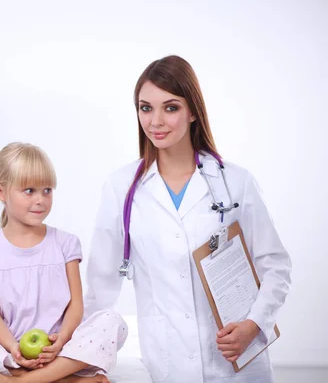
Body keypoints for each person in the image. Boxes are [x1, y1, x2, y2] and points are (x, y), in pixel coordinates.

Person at [84, 55, 292, 383]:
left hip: (236, 365)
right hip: (166, 364)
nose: (155, 121)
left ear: (193, 111)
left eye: (170, 107)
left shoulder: (236, 182)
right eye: (145, 107)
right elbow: (99, 286)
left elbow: (276, 267)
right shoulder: (121, 187)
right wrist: (82, 360)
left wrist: (254, 325)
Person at [0, 142, 128, 383]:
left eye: (47, 190)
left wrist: (61, 340)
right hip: (15, 352)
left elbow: (76, 305)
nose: (41, 200)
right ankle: (63, 379)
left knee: (112, 322)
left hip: (62, 349)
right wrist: (13, 348)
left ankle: (22, 381)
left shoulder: (65, 243)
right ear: (0, 192)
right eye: (29, 190)